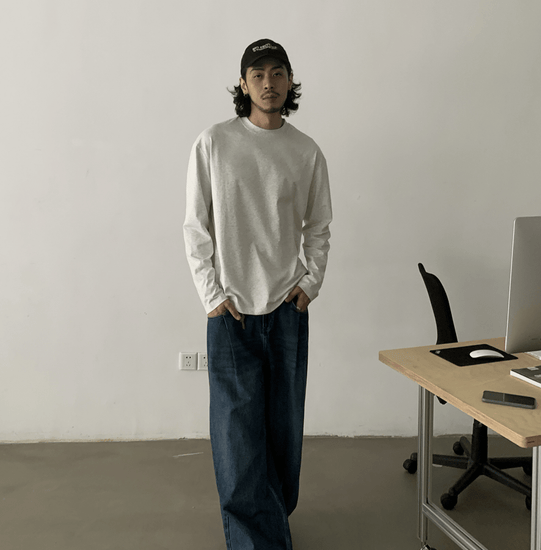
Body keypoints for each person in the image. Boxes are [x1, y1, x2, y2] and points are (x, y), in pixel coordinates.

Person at [183, 38, 332, 550]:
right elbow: (195, 227)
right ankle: (257, 540)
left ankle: (271, 520)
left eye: (278, 72)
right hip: (232, 313)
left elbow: (319, 227)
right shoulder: (214, 143)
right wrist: (211, 295)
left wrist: (310, 284)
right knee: (237, 437)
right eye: (258, 74)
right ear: (243, 85)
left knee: (284, 434)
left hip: (287, 309)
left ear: (290, 81)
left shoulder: (306, 151)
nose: (269, 83)